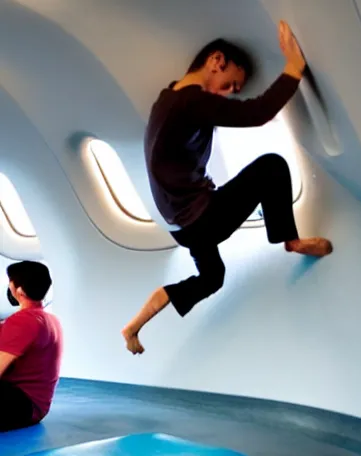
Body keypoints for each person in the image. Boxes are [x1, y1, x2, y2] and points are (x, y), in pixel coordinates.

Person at [122, 21, 333, 355]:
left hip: (181, 227)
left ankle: (133, 327)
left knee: (212, 277)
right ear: (216, 61)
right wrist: (294, 67)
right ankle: (290, 241)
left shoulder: (168, 98)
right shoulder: (191, 101)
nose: (230, 92)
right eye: (231, 83)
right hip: (199, 218)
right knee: (272, 166)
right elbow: (258, 112)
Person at [0, 261, 63, 432]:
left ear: (19, 290)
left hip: (21, 405)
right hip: (36, 407)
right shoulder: (50, 319)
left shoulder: (23, 321)